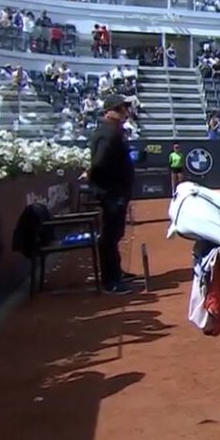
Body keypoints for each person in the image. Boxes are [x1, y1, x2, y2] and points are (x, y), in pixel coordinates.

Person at [84, 94, 136, 295]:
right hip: (111, 193)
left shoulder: (112, 131)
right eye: (121, 109)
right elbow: (98, 163)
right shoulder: (109, 133)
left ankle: (116, 273)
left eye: (125, 108)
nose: (125, 112)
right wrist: (102, 182)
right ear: (110, 111)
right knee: (109, 236)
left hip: (113, 192)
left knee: (114, 235)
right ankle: (111, 281)